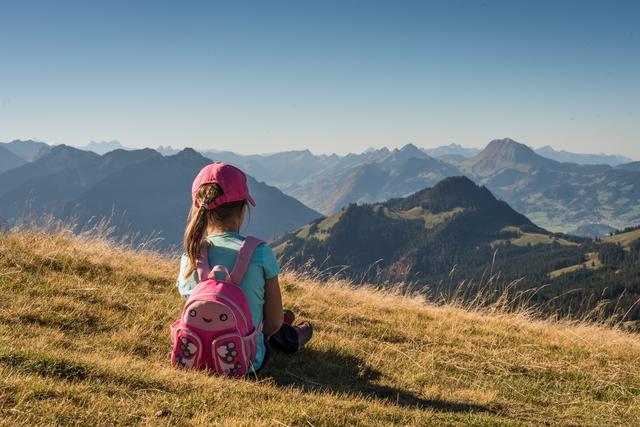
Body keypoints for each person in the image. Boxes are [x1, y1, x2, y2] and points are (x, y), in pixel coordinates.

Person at [176, 162, 313, 373]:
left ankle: (288, 329)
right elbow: (273, 325)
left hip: (193, 356)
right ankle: (292, 335)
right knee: (275, 320)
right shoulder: (259, 252)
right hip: (246, 361)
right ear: (243, 208)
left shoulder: (192, 254)